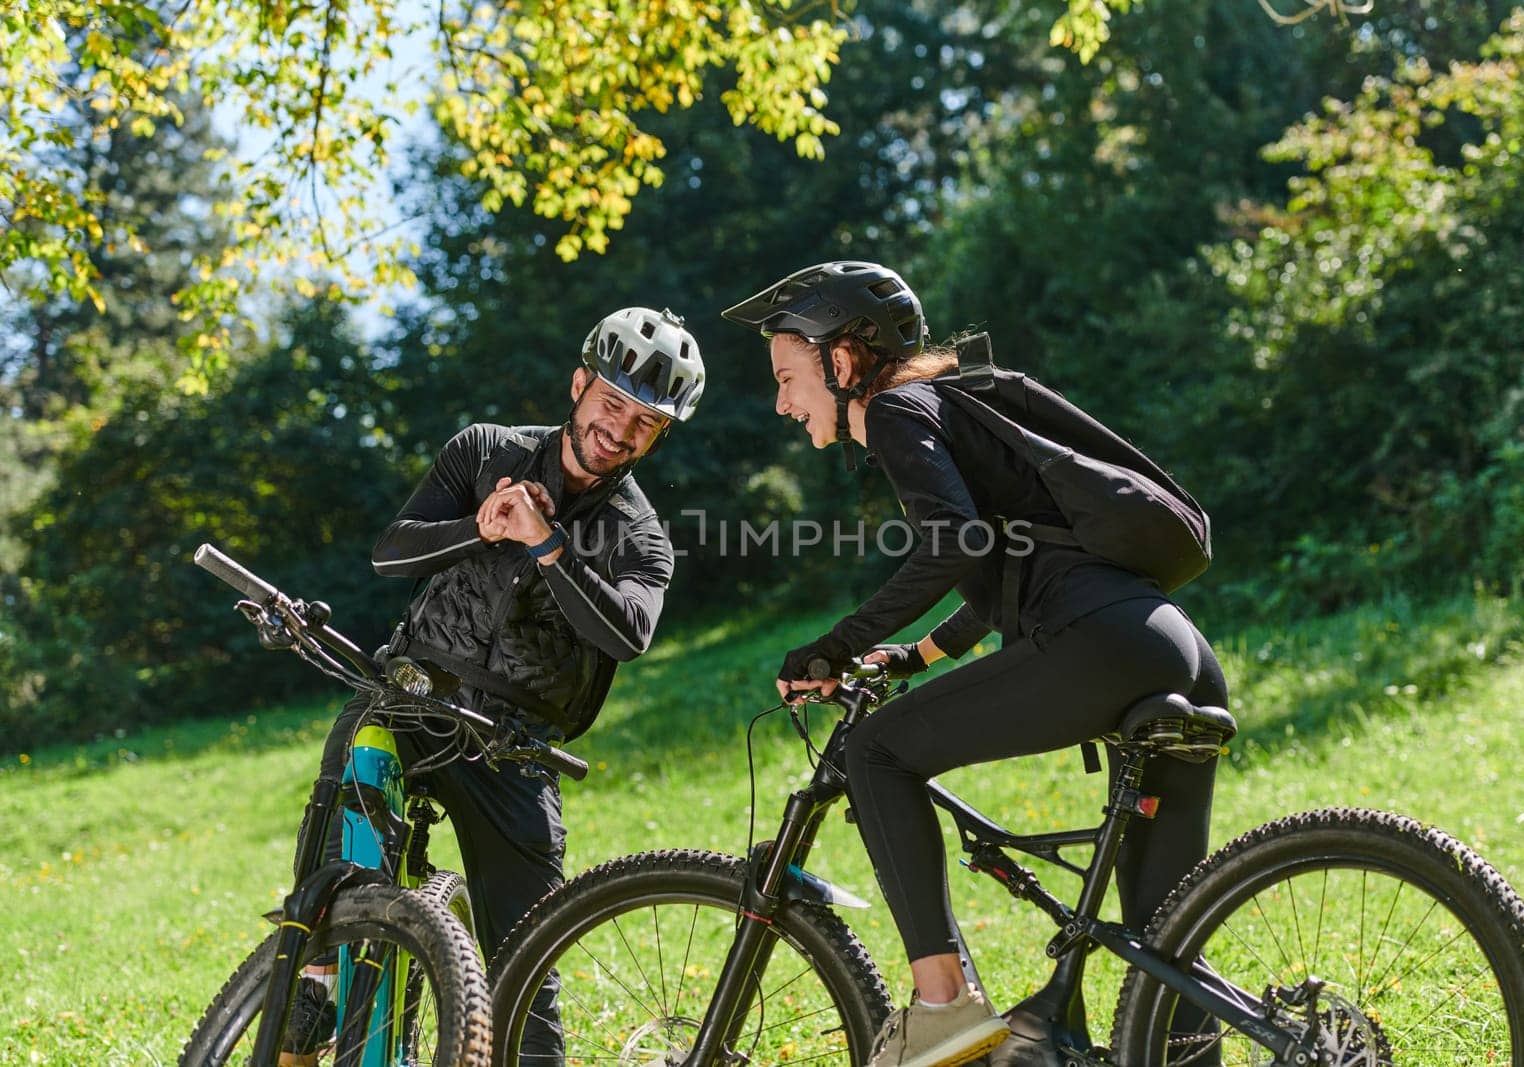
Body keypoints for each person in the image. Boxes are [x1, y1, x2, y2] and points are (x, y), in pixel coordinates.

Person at [723, 262, 1228, 1067]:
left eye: (788, 378)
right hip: (1170, 645)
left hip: (1098, 638)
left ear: (841, 362)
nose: (783, 402)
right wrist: (912, 653)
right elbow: (1002, 576)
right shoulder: (949, 402)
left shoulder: (893, 409)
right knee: (1160, 954)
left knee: (874, 751)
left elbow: (954, 541)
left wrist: (834, 645)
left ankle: (943, 1003)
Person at [291, 307, 706, 1065]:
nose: (620, 429)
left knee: (527, 978)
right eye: (611, 402)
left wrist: (548, 545)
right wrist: (480, 526)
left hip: (513, 751)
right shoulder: (484, 451)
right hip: (412, 702)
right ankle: (312, 984)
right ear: (579, 386)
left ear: (659, 435)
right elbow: (389, 553)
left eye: (644, 421)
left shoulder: (639, 535)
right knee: (351, 780)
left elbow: (626, 634)